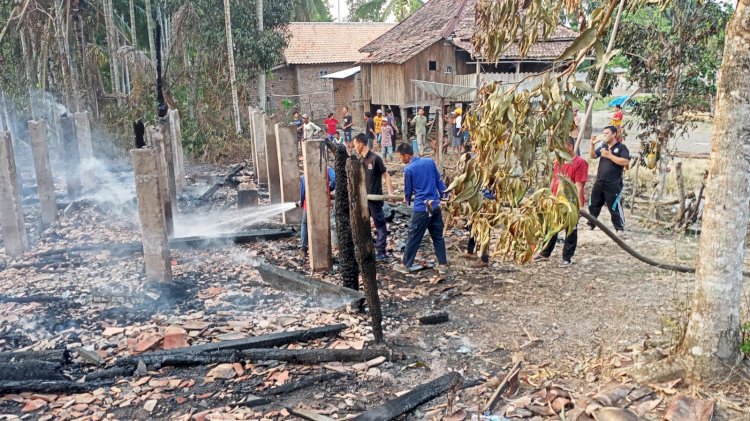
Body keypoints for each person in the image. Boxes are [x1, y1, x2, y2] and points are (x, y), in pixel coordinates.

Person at [535, 136, 589, 267]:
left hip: (570, 202)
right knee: (551, 226)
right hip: (556, 200)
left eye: (561, 147)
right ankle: (545, 253)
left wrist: (580, 206)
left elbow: (579, 186)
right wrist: (548, 196)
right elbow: (554, 180)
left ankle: (567, 257)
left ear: (570, 147)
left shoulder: (580, 163)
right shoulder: (558, 162)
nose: (558, 150)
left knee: (571, 230)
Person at [396, 143, 448, 274]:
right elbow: (439, 181)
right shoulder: (429, 162)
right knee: (438, 236)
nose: (400, 160)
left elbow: (408, 190)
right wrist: (444, 195)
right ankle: (442, 265)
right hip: (435, 205)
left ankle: (405, 265)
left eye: (400, 157)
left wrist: (406, 199)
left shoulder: (409, 170)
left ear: (407, 156)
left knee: (414, 236)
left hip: (421, 208)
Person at [353, 133, 394, 260]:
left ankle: (381, 252)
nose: (354, 147)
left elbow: (386, 175)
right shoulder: (359, 161)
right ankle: (366, 250)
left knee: (380, 225)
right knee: (363, 225)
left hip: (374, 198)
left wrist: (390, 193)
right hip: (362, 199)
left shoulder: (375, 159)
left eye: (355, 144)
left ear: (361, 144)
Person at [588, 125, 630, 233]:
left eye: (607, 133)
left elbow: (625, 162)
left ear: (614, 134)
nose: (604, 135)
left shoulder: (621, 147)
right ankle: (591, 224)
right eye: (604, 133)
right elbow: (593, 156)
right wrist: (592, 145)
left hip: (613, 183)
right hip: (600, 180)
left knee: (614, 206)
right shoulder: (603, 146)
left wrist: (610, 156)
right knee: (594, 204)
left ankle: (619, 228)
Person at [297, 166, 336, 256]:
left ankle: (303, 249)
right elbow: (334, 180)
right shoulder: (328, 169)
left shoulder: (307, 170)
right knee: (322, 224)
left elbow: (303, 189)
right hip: (323, 202)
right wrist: (328, 189)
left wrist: (302, 201)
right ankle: (323, 250)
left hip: (309, 204)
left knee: (305, 224)